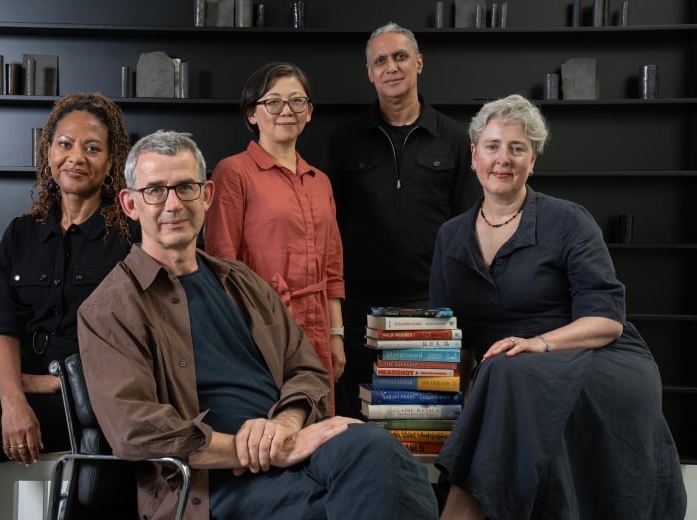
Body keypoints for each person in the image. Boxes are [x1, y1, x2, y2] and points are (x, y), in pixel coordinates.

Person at [77, 130, 440, 520]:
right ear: (130, 203)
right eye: (155, 191)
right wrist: (259, 449)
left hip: (296, 445)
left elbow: (307, 369)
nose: (173, 204)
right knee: (356, 503)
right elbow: (135, 430)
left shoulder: (242, 282)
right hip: (211, 480)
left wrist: (286, 425)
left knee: (378, 448)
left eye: (185, 187)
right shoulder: (109, 309)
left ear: (207, 196)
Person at [429, 94, 687, 519]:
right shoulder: (450, 236)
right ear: (473, 154)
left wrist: (539, 344)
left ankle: (460, 512)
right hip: (507, 372)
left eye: (517, 148)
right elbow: (450, 337)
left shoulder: (569, 220)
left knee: (508, 369)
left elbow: (607, 320)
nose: (503, 158)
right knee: (504, 371)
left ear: (534, 158)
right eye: (492, 146)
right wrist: (439, 401)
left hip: (595, 358)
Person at [0, 92, 136, 519]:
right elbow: (3, 328)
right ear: (48, 151)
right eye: (65, 144)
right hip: (20, 381)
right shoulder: (21, 233)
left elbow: (134, 341)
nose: (75, 157)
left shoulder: (128, 240)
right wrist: (15, 398)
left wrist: (51, 384)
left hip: (86, 396)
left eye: (92, 148)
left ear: (111, 161)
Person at [321, 21, 479, 419]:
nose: (391, 67)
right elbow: (327, 226)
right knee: (363, 420)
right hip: (361, 310)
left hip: (431, 305)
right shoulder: (344, 141)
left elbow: (466, 228)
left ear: (419, 63)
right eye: (380, 60)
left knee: (423, 423)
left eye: (400, 56)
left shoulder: (455, 139)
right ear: (370, 73)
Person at [204, 62, 345, 414]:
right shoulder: (233, 172)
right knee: (273, 426)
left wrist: (336, 334)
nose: (287, 111)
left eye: (298, 102)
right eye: (274, 102)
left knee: (318, 428)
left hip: (317, 326)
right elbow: (222, 265)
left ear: (309, 113)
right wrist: (240, 338)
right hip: (261, 325)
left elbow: (333, 265)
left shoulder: (320, 181)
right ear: (252, 114)